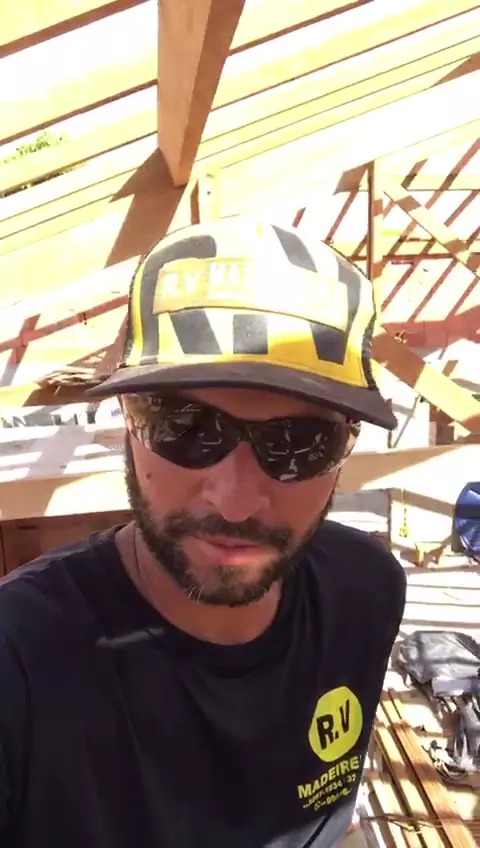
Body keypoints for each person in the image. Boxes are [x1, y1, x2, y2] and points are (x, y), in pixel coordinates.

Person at [0, 218, 406, 847]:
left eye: (299, 443)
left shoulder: (364, 591)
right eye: (185, 427)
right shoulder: (19, 663)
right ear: (127, 420)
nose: (236, 502)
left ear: (344, 449)